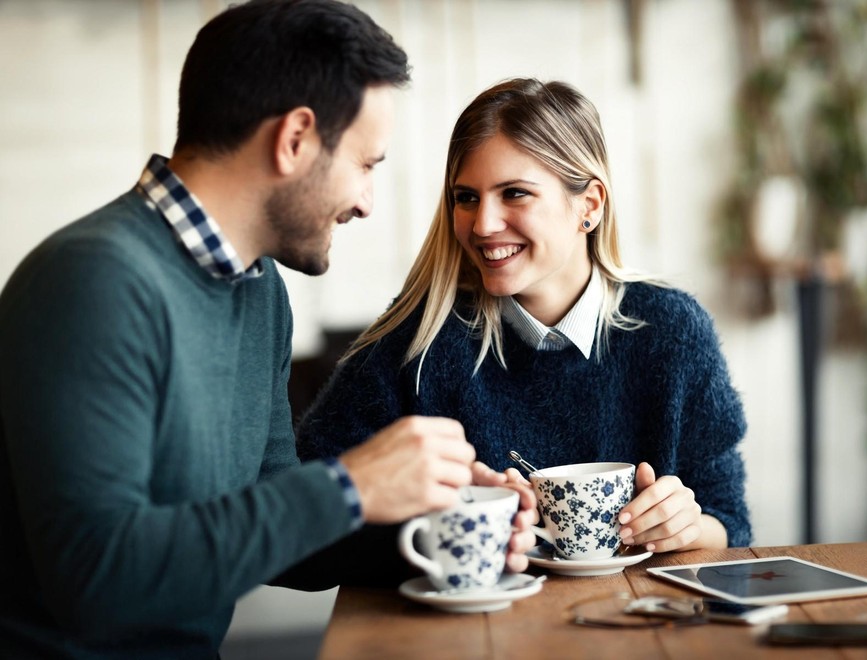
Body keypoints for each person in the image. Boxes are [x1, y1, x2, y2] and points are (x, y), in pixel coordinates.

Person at [0, 2, 535, 657]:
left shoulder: (261, 292)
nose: (367, 201)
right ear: (295, 140)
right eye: (367, 164)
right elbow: (97, 581)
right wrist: (350, 486)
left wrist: (431, 517)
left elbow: (286, 543)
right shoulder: (90, 282)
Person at [297, 78, 752, 571]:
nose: (483, 224)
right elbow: (296, 541)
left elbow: (731, 524)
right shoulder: (417, 338)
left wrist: (688, 526)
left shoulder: (673, 331)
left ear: (589, 206)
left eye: (514, 193)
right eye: (466, 197)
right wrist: (433, 527)